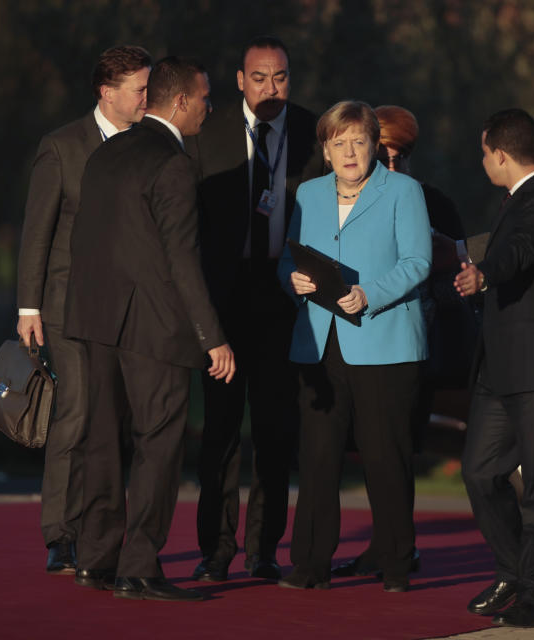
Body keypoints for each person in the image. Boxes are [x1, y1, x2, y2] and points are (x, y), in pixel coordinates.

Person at [63, 57, 235, 602]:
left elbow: (89, 240)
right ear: (180, 101)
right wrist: (214, 337)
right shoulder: (174, 165)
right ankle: (139, 567)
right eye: (205, 97)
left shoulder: (107, 153)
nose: (209, 108)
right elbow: (181, 261)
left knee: (103, 443)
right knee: (157, 446)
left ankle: (94, 559)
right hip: (156, 330)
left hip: (97, 320)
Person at [277, 100, 431, 593]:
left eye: (358, 141)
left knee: (386, 456)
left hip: (384, 343)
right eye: (338, 143)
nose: (348, 151)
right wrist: (293, 279)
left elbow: (417, 262)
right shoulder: (308, 194)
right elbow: (287, 258)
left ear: (373, 145)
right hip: (319, 345)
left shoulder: (403, 191)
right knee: (318, 457)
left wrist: (370, 294)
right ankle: (309, 565)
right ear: (325, 150)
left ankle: (395, 563)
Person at [185, 35, 324, 583]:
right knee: (220, 429)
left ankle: (264, 547)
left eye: (281, 77)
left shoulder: (313, 134)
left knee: (274, 429)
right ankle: (215, 550)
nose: (271, 87)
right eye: (260, 77)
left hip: (284, 294)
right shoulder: (208, 134)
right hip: (222, 295)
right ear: (240, 81)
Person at [15, 45, 151, 574]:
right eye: (139, 89)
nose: (147, 97)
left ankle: (102, 536)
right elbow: (36, 232)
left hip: (130, 311)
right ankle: (60, 535)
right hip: (66, 309)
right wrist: (29, 308)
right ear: (107, 92)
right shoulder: (62, 147)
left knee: (113, 422)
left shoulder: (150, 144)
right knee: (73, 417)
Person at [454, 109, 534, 628]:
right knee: (480, 472)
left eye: (484, 153)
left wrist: (483, 274)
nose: (482, 161)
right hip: (500, 370)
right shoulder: (513, 201)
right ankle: (513, 570)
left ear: (500, 155)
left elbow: (520, 252)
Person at [331, 104, 465, 580]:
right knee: (372, 450)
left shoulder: (430, 200)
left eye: (399, 155)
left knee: (398, 448)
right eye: (381, 151)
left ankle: (398, 549)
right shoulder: (348, 194)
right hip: (359, 343)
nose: (389, 162)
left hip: (413, 344)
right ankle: (383, 544)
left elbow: (456, 271)